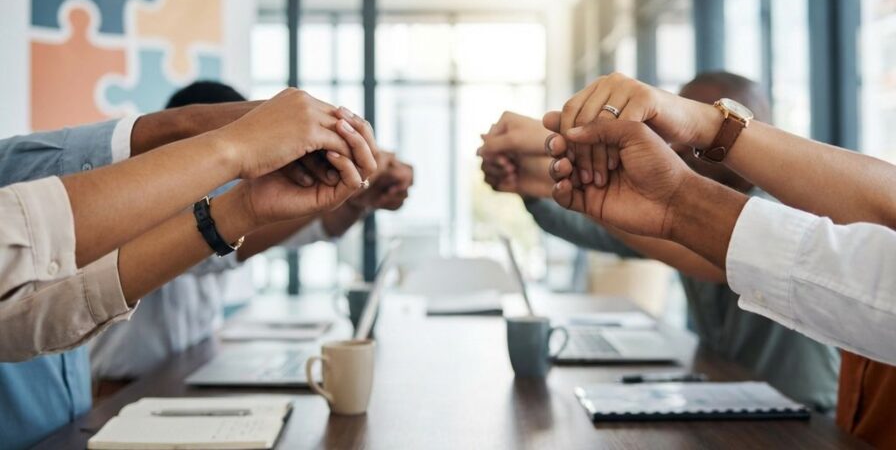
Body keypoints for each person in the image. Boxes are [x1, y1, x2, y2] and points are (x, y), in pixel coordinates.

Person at [0, 87, 376, 448]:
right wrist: (231, 145)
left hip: (95, 415)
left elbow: (53, 307)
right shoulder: (146, 206)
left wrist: (244, 205)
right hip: (123, 395)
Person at [544, 72, 896, 447]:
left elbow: (860, 264)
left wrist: (685, 193)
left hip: (803, 413)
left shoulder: (785, 206)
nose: (677, 143)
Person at [478, 72, 839, 411]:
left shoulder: (777, 211)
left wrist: (557, 149)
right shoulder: (684, 206)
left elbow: (723, 252)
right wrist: (529, 184)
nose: (678, 143)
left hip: (805, 413)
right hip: (727, 399)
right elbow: (595, 229)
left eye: (701, 132)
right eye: (675, 126)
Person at [90, 82, 414, 390]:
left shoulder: (222, 198)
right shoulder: (140, 209)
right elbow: (215, 250)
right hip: (120, 390)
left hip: (190, 375)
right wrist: (341, 188)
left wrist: (355, 200)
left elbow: (310, 229)